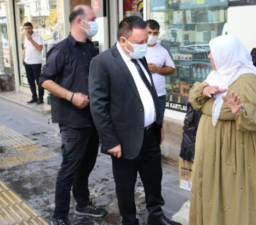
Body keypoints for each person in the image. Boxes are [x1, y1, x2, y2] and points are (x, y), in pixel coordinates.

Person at [89, 16, 181, 225]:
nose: (144, 46)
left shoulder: (139, 58)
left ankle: (156, 215)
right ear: (123, 41)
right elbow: (98, 106)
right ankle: (129, 220)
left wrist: (158, 122)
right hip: (124, 138)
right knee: (125, 184)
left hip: (150, 134)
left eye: (145, 40)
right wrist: (110, 141)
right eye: (139, 42)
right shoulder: (102, 62)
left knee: (153, 178)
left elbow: (149, 92)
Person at [188, 35, 256, 225]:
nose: (209, 56)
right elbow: (194, 98)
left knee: (233, 195)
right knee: (210, 191)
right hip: (210, 149)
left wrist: (239, 111)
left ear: (225, 54)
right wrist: (203, 91)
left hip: (236, 151)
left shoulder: (248, 79)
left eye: (213, 52)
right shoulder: (215, 76)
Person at [39, 5, 107, 225]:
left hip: (92, 120)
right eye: (93, 18)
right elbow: (45, 80)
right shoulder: (62, 49)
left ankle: (82, 204)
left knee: (85, 166)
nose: (96, 23)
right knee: (69, 168)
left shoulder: (90, 48)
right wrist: (71, 96)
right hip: (72, 121)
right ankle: (59, 215)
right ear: (80, 21)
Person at [145, 19, 175, 127]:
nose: (152, 36)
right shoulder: (137, 47)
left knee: (158, 126)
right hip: (141, 95)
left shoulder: (163, 49)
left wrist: (158, 70)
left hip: (159, 95)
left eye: (155, 33)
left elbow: (172, 69)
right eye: (149, 33)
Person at [23, 22, 44, 104]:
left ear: (32, 27)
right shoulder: (26, 36)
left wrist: (31, 40)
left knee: (38, 81)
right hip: (27, 62)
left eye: (29, 28)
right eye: (26, 29)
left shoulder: (37, 36)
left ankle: (40, 98)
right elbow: (25, 48)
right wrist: (23, 58)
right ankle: (34, 97)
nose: (27, 30)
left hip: (36, 62)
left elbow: (40, 48)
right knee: (30, 81)